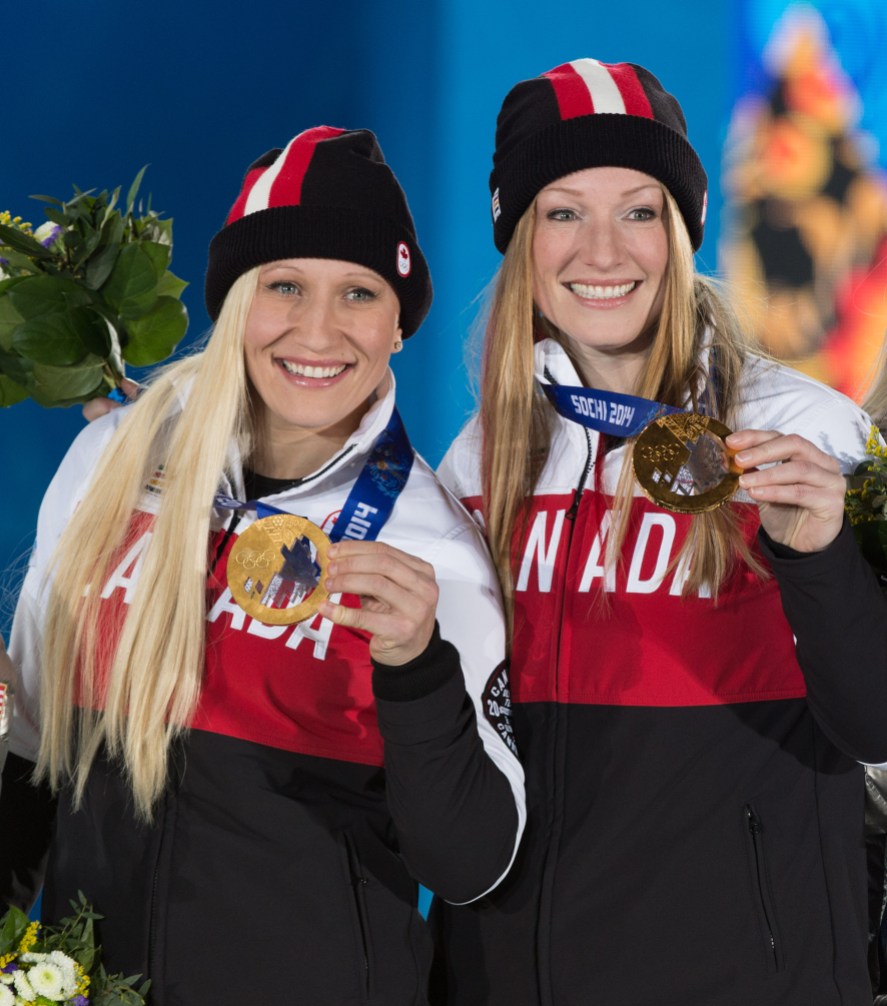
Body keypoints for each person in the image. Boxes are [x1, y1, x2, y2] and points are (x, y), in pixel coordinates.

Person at [0, 126, 525, 1005]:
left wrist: (417, 671)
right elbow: (34, 754)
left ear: (399, 325)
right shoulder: (112, 464)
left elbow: (474, 866)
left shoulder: (427, 547)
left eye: (358, 293)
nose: (317, 330)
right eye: (284, 285)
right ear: (236, 300)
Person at [434, 58, 887, 1004]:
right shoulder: (479, 459)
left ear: (683, 230)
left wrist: (819, 556)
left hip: (747, 976)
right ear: (514, 237)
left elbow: (876, 724)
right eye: (561, 211)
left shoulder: (810, 430)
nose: (603, 251)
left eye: (640, 210)